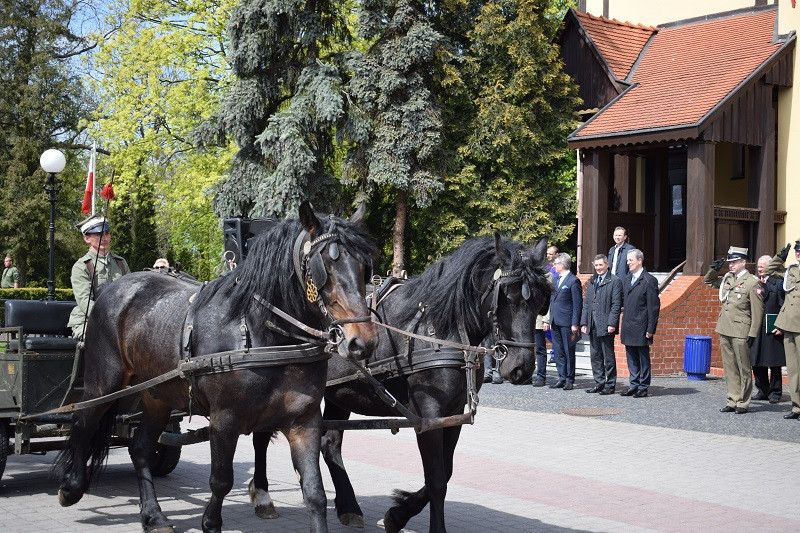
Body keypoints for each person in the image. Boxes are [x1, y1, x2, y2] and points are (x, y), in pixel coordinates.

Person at [703, 247, 763, 414]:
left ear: (743, 262)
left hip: (741, 330)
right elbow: (708, 282)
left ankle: (743, 402)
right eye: (730, 262)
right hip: (725, 327)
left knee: (743, 367)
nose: (731, 265)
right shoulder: (728, 279)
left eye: (735, 262)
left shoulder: (752, 282)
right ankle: (732, 399)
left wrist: (753, 333)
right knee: (729, 367)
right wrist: (714, 269)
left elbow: (757, 312)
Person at [68, 216, 130, 339]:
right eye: (99, 234)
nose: (104, 238)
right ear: (87, 239)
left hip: (120, 320)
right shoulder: (82, 266)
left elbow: (130, 293)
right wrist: (110, 319)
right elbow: (84, 302)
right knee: (104, 340)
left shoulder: (120, 263)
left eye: (107, 233)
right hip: (89, 320)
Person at [764, 241, 800, 420]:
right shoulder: (791, 271)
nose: (799, 254)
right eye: (797, 252)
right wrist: (780, 257)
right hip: (788, 325)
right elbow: (769, 271)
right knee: (793, 369)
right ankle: (796, 407)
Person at [620, 248, 659, 398]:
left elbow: (653, 307)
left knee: (643, 358)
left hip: (641, 326)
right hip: (629, 325)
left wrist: (650, 328)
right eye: (627, 260)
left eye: (630, 260)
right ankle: (634, 384)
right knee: (631, 358)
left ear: (639, 260)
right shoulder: (627, 279)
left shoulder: (649, 280)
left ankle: (643, 386)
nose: (628, 263)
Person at [581, 254, 623, 395]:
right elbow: (586, 303)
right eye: (596, 265)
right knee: (595, 356)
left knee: (608, 357)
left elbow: (616, 304)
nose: (598, 268)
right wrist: (584, 322)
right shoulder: (593, 281)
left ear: (607, 265)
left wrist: (612, 323)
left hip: (605, 325)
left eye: (601, 265)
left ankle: (610, 385)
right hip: (593, 324)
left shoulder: (615, 281)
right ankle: (599, 383)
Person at [543, 253, 582, 390]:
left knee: (568, 351)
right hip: (555, 321)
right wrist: (548, 320)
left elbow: (577, 304)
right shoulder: (556, 280)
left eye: (556, 263)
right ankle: (562, 377)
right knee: (558, 351)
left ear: (563, 265)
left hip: (567, 322)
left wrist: (575, 323)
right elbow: (552, 301)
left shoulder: (573, 281)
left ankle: (570, 379)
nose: (554, 266)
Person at [751, 255, 785, 404]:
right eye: (758, 266)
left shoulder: (778, 283)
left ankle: (775, 392)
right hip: (756, 327)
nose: (759, 269)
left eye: (762, 267)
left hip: (772, 327)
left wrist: (781, 325)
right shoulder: (754, 283)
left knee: (774, 361)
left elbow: (783, 306)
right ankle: (762, 390)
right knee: (756, 360)